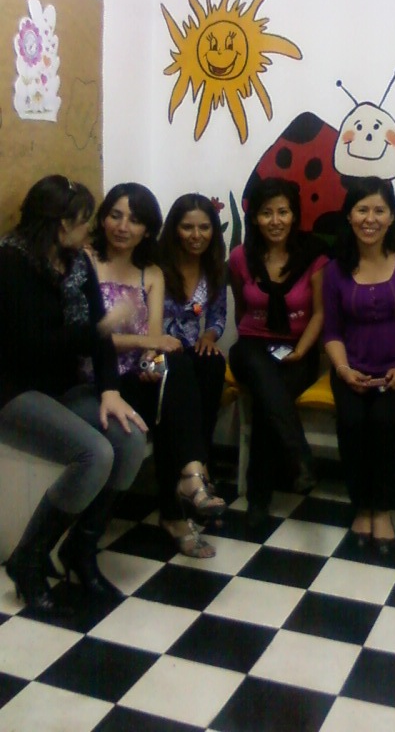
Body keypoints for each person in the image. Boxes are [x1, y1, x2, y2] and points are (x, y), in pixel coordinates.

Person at [0, 175, 148, 612]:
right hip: (12, 390)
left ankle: (80, 550)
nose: (92, 229)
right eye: (86, 220)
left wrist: (110, 391)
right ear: (62, 224)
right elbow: (31, 345)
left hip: (61, 386)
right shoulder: (9, 263)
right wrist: (99, 328)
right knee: (94, 454)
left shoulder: (77, 262)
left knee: (130, 440)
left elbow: (100, 340)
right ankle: (28, 558)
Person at [87, 183, 225, 559]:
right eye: (115, 216)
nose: (123, 226)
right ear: (102, 219)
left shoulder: (150, 272)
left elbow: (154, 343)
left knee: (180, 375)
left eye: (134, 220)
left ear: (147, 229)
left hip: (138, 373)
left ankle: (189, 481)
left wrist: (153, 361)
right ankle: (189, 487)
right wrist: (148, 346)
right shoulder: (85, 262)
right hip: (98, 378)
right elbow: (89, 339)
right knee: (175, 391)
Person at [323, 176, 395, 551]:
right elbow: (332, 331)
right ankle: (362, 506)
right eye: (362, 210)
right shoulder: (335, 270)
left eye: (379, 210)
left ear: (391, 217)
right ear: (349, 216)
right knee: (352, 420)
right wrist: (343, 370)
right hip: (352, 369)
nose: (370, 219)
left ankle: (383, 508)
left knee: (383, 420)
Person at [229, 177, 328, 527]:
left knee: (268, 401)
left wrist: (300, 350)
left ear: (294, 215)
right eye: (266, 213)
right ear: (254, 218)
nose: (275, 220)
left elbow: (320, 313)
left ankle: (259, 498)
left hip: (299, 348)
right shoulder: (240, 258)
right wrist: (259, 338)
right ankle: (299, 457)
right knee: (263, 375)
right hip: (252, 346)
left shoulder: (313, 257)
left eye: (283, 212)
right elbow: (242, 309)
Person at [159, 193, 227, 475]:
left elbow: (218, 317)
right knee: (181, 367)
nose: (196, 235)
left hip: (188, 348)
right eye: (187, 227)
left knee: (213, 363)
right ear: (175, 229)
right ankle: (185, 467)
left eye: (204, 227)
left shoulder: (214, 269)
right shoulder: (156, 265)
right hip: (153, 353)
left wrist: (208, 337)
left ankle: (202, 458)